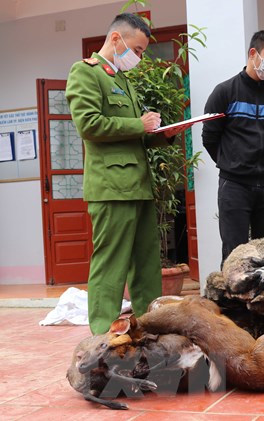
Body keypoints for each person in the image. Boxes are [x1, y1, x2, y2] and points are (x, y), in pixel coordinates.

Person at [66, 13, 190, 335]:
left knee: (147, 265)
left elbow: (137, 136)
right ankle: (104, 337)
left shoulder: (123, 81)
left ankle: (151, 327)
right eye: (136, 49)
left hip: (139, 186)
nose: (139, 57)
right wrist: (139, 123)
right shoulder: (85, 73)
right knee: (111, 265)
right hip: (110, 187)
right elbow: (89, 125)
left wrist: (166, 132)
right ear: (116, 39)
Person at [202, 30, 264, 266]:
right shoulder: (225, 92)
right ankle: (233, 304)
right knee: (234, 255)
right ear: (253, 53)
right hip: (235, 186)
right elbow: (210, 137)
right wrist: (232, 163)